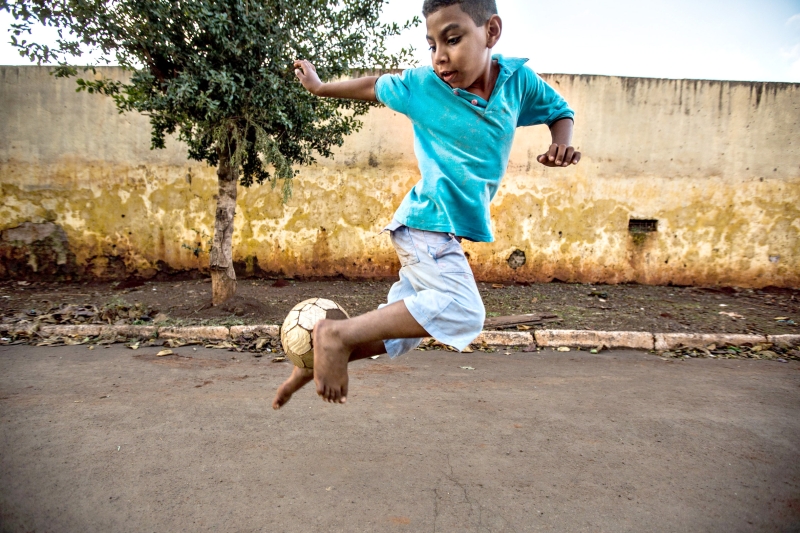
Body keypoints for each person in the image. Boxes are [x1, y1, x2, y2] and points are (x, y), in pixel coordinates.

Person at [273, 0, 580, 409]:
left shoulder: (517, 81)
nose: (440, 56)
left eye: (452, 40)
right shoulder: (423, 86)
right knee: (464, 312)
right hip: (424, 225)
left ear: (491, 32)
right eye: (431, 44)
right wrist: (319, 87)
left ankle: (313, 361)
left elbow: (560, 111)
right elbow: (374, 85)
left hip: (440, 232)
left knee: (407, 330)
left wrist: (561, 142)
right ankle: (335, 334)